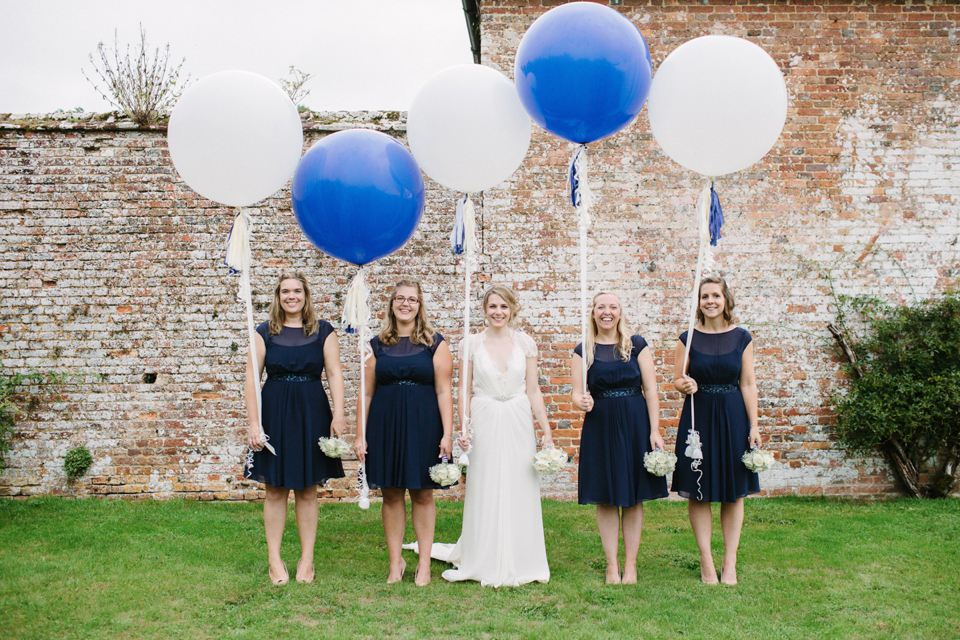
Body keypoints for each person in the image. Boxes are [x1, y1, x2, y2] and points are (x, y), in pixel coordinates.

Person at [431, 284, 553, 587]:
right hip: (484, 416)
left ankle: (523, 557)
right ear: (484, 311)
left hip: (517, 416)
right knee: (485, 482)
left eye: (503, 307)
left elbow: (533, 390)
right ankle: (482, 555)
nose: (498, 312)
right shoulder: (471, 344)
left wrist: (547, 431)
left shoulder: (525, 343)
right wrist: (464, 426)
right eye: (492, 307)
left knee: (519, 481)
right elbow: (463, 390)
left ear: (512, 309)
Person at [245, 271, 346, 586]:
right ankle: (274, 561)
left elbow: (334, 373)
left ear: (306, 296)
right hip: (274, 410)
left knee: (307, 489)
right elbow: (251, 378)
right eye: (285, 291)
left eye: (297, 291)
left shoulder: (323, 331)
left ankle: (307, 559)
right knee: (274, 489)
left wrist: (339, 415)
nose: (291, 296)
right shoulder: (263, 333)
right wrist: (253, 422)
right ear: (278, 296)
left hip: (311, 411)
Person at [354, 279, 454, 587]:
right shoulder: (375, 345)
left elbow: (443, 391)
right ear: (391, 304)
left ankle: (424, 563)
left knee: (423, 493)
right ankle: (395, 561)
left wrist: (448, 434)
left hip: (424, 423)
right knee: (391, 493)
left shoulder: (435, 343)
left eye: (412, 299)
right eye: (400, 298)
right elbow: (366, 393)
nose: (405, 304)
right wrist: (360, 434)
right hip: (385, 424)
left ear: (420, 305)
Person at [572, 292, 667, 584]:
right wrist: (581, 402)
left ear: (620, 312)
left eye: (612, 307)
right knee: (606, 496)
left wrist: (654, 430)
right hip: (600, 424)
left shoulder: (636, 345)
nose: (607, 312)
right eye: (601, 307)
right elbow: (576, 393)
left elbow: (650, 390)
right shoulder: (583, 350)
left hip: (635, 422)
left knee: (634, 496)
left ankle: (632, 564)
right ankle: (612, 565)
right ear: (593, 313)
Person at [672, 274, 761, 585]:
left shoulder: (742, 338)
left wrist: (754, 425)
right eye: (704, 296)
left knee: (733, 493)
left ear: (726, 300)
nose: (709, 301)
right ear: (698, 303)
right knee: (699, 491)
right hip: (699, 416)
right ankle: (706, 560)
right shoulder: (688, 338)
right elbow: (677, 378)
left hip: (733, 416)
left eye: (715, 296)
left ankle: (730, 560)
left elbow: (748, 383)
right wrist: (686, 383)